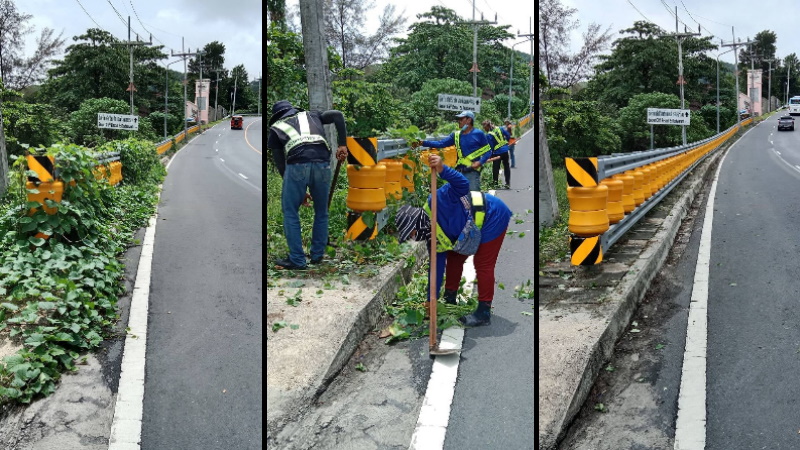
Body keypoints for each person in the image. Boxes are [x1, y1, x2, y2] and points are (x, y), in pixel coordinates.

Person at [395, 154, 512, 326]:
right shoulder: (431, 236)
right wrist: (431, 300)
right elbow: (436, 269)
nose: (413, 238)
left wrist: (443, 169)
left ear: (417, 223)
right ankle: (449, 298)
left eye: (412, 233)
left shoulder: (439, 200)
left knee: (483, 264)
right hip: (470, 228)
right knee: (454, 258)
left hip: (492, 216)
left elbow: (463, 184)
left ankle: (484, 312)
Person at [267, 100, 349, 270]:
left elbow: (282, 166)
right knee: (321, 211)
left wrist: (297, 189)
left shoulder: (276, 129)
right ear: (292, 110)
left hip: (296, 166)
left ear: (277, 116)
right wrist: (342, 144)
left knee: (290, 211)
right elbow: (338, 115)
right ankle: (317, 255)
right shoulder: (312, 115)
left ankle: (297, 260)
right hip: (322, 164)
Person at [413, 110, 491, 191]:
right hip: (459, 171)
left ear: (469, 120)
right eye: (458, 119)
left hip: (472, 172)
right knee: (458, 197)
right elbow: (441, 144)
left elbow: (488, 151)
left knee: (475, 198)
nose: (459, 121)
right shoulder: (456, 135)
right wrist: (422, 143)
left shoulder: (479, 134)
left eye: (461, 119)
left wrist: (480, 162)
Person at [482, 119, 511, 188]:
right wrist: (506, 142)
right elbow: (508, 135)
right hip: (505, 151)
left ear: (487, 127)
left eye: (484, 128)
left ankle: (495, 184)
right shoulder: (500, 128)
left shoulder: (489, 135)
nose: (484, 129)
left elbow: (491, 147)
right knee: (506, 167)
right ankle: (507, 184)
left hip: (497, 153)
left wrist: (490, 156)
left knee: (495, 168)